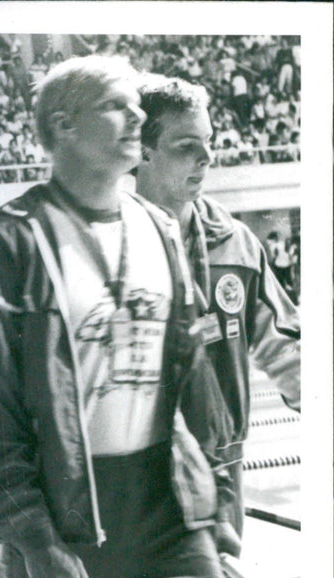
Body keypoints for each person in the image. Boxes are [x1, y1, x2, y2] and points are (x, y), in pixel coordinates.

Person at [0, 55, 236, 578]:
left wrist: (218, 495)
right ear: (63, 124)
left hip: (167, 509)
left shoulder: (161, 228)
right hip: (62, 518)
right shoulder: (9, 241)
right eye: (115, 105)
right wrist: (33, 539)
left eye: (136, 104)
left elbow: (193, 370)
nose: (136, 116)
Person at [135, 75, 301, 540]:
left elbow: (286, 348)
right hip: (133, 472)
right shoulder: (110, 246)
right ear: (142, 152)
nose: (208, 158)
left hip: (222, 466)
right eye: (188, 145)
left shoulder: (236, 245)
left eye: (209, 141)